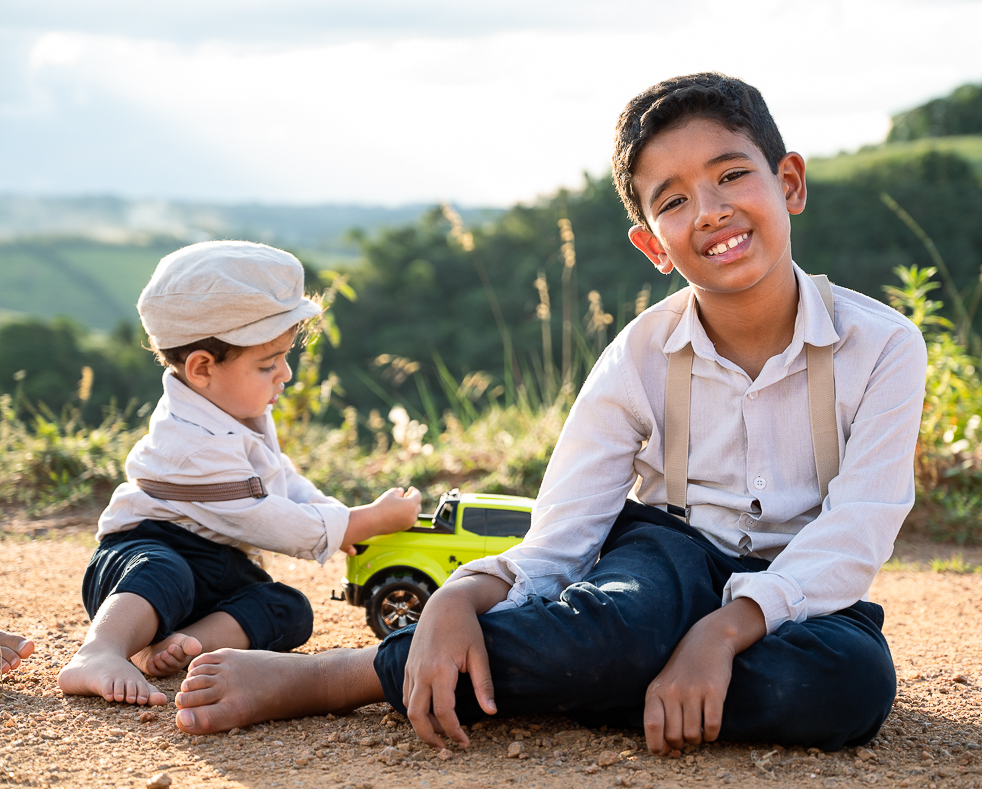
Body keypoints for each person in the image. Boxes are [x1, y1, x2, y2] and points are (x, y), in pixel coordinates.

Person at [171, 73, 926, 754]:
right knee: (614, 629)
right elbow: (563, 535)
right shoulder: (639, 356)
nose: (710, 211)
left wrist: (724, 631)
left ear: (789, 182)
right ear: (653, 246)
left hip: (800, 586)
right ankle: (353, 675)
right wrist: (461, 594)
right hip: (666, 559)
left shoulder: (884, 346)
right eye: (673, 200)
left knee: (848, 686)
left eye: (732, 175)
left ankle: (600, 679)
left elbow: (856, 529)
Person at [58, 241, 422, 707]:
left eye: (285, 358)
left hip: (216, 567)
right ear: (202, 368)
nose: (285, 374)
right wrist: (358, 522)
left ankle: (183, 644)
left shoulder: (236, 409)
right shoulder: (189, 442)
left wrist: (335, 517)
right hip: (142, 554)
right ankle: (101, 650)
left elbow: (281, 479)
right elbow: (260, 517)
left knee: (287, 607)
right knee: (164, 571)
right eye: (268, 364)